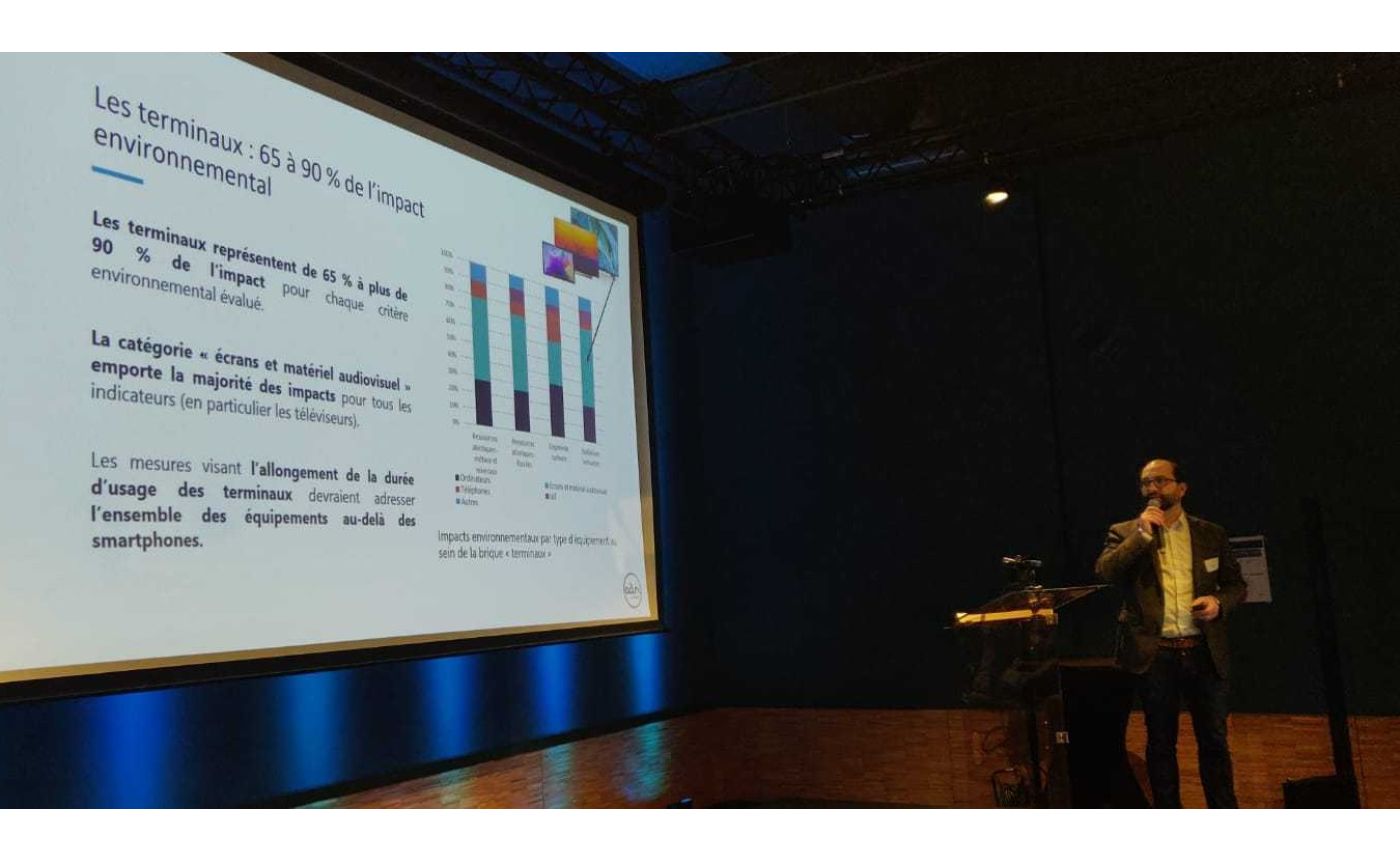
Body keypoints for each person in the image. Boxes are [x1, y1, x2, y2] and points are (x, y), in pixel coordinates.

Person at [1094, 458, 1247, 808]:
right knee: (1161, 743)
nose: (1152, 488)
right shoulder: (1125, 531)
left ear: (1182, 488)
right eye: (1145, 482)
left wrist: (1218, 602)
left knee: (1215, 741)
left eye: (1160, 481)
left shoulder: (1211, 533)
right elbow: (1106, 572)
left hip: (1203, 651)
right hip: (1156, 655)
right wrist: (1142, 535)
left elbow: (1236, 585)